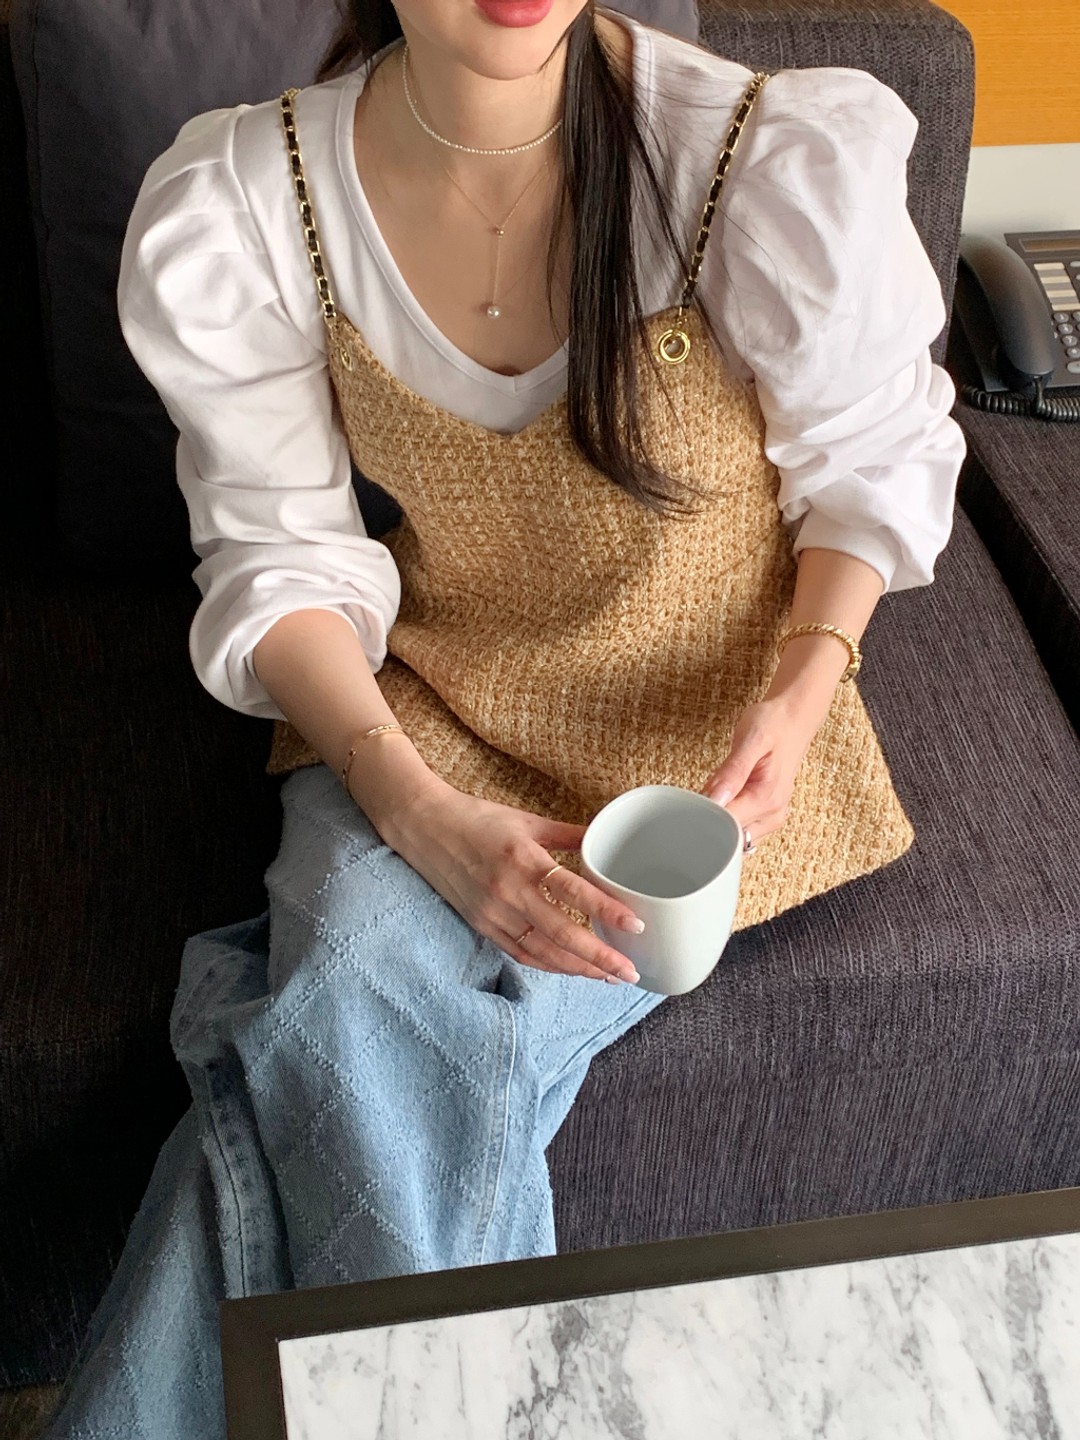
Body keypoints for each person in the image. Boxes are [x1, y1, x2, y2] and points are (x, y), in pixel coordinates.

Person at [44, 1, 965, 1435]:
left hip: (700, 760)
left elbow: (871, 457)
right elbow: (277, 556)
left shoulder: (754, 156)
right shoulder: (252, 196)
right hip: (427, 720)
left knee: (331, 1009)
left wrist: (808, 677)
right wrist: (414, 808)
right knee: (362, 972)